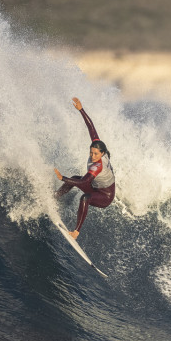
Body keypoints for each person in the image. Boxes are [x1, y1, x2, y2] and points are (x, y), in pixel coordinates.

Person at [53, 97, 116, 239]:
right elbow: (91, 128)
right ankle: (55, 197)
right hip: (95, 186)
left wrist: (62, 178)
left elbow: (83, 183)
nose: (92, 156)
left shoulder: (98, 166)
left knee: (84, 197)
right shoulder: (99, 147)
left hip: (105, 196)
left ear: (102, 154)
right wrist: (81, 110)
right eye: (91, 152)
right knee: (74, 178)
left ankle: (76, 232)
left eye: (95, 154)